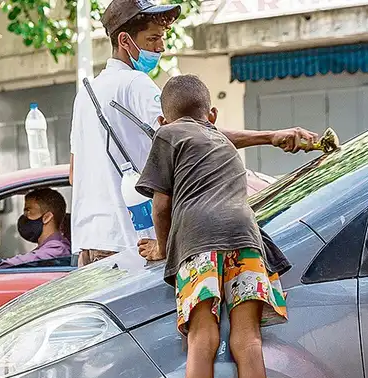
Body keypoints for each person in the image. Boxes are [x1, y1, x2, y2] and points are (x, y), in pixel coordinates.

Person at [69, 0, 319, 268]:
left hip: (89, 243)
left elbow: (74, 174)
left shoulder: (86, 94)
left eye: (162, 38)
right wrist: (269, 137)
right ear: (124, 40)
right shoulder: (135, 83)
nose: (160, 47)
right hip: (132, 241)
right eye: (152, 38)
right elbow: (196, 134)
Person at [135, 75, 289, 378]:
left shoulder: (167, 133)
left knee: (203, 338)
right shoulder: (218, 140)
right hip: (246, 239)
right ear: (213, 115)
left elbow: (161, 203)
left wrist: (162, 248)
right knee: (248, 340)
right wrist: (275, 136)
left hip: (198, 241)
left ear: (162, 117)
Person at [0, 188, 71, 269]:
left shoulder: (57, 249)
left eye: (29, 212)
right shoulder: (48, 247)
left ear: (47, 217)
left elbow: (16, 263)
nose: (25, 217)